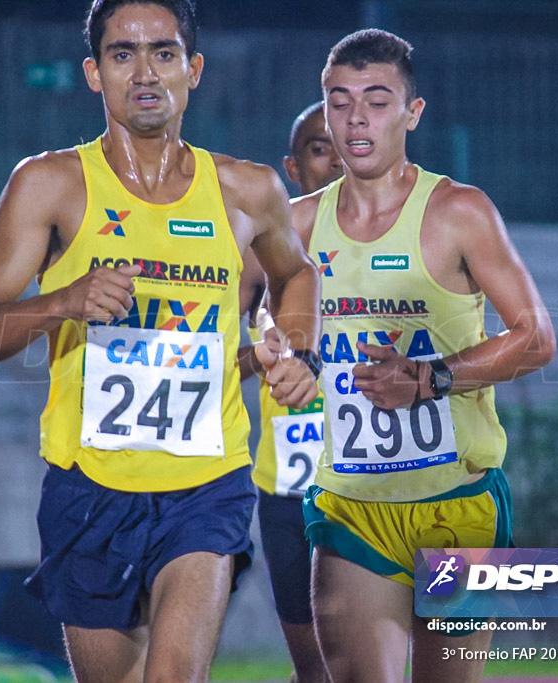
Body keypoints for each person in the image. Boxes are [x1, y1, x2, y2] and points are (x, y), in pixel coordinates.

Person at [0, 2, 321, 681]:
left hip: (206, 485)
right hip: (90, 487)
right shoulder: (49, 185)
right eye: (123, 54)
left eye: (164, 53)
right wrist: (63, 300)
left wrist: (298, 350)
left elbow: (297, 274)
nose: (144, 72)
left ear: (194, 69)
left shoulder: (247, 190)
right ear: (94, 73)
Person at [290, 30, 557, 683]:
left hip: (457, 501)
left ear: (412, 113)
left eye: (377, 101)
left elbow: (537, 337)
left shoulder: (459, 212)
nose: (356, 117)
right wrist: (273, 356)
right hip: (351, 504)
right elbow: (243, 329)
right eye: (339, 100)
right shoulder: (294, 228)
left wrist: (430, 378)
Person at [237, 102, 341, 683]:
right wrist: (263, 355)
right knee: (316, 669)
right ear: (292, 167)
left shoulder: (410, 237)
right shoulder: (259, 254)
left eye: (341, 143)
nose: (335, 158)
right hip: (292, 484)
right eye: (317, 148)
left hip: (387, 476)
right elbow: (216, 361)